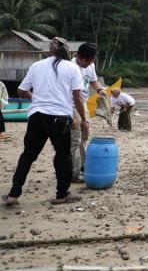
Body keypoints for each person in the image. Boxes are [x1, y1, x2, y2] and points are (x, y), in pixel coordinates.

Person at [2, 37, 87, 205]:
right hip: (59, 117)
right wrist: (82, 119)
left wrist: (35, 98)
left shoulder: (36, 66)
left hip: (36, 116)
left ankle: (13, 194)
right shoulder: (72, 68)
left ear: (50, 50)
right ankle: (62, 195)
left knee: (28, 155)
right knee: (63, 156)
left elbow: (21, 90)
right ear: (68, 50)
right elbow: (77, 98)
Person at [70, 42, 107, 183]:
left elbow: (93, 81)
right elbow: (75, 96)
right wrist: (82, 119)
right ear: (79, 56)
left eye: (92, 61)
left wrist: (100, 90)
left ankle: (83, 166)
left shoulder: (90, 65)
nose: (90, 63)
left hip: (83, 103)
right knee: (75, 139)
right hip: (71, 105)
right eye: (88, 61)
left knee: (85, 135)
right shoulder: (71, 67)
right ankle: (73, 173)